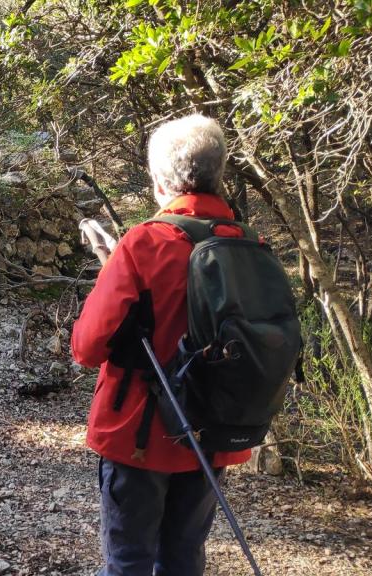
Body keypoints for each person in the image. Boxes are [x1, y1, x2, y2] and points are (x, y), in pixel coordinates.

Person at [71, 114, 252, 575]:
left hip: (140, 434)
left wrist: (112, 275)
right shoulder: (249, 244)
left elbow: (87, 347)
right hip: (213, 434)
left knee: (128, 561)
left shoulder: (145, 244)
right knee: (183, 558)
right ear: (220, 173)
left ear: (159, 180)